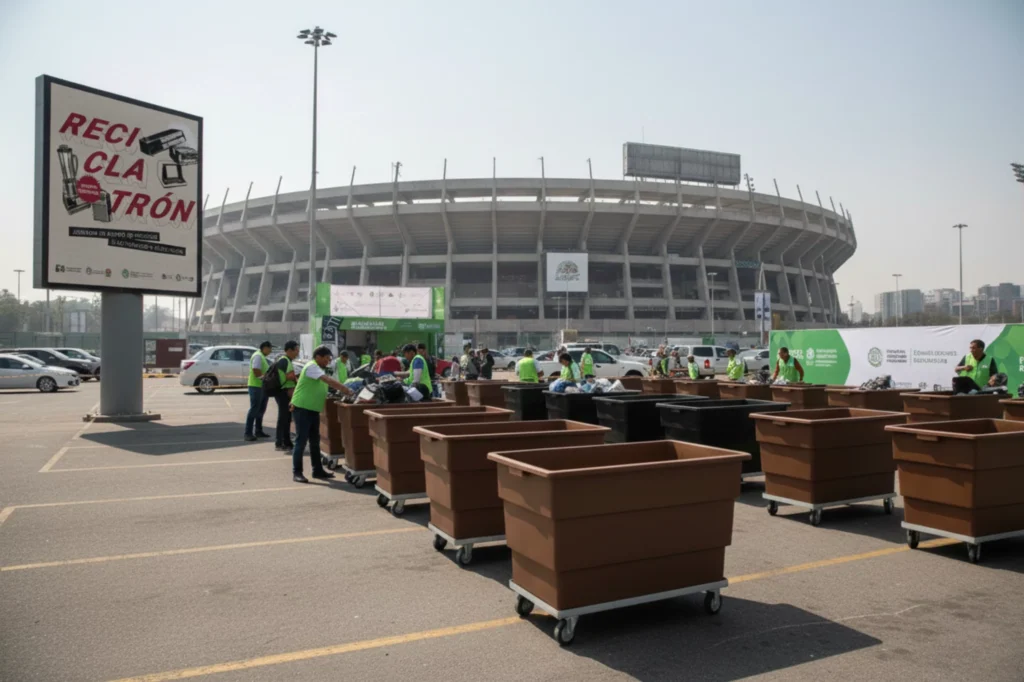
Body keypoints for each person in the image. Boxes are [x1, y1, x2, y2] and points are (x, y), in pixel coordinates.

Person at [289, 346, 354, 483]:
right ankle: (297, 472)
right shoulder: (312, 367)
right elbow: (328, 381)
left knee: (314, 442)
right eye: (326, 359)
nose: (328, 362)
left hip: (312, 409)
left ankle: (317, 470)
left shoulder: (318, 368)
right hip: (302, 408)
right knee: (301, 442)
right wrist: (346, 390)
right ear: (318, 356)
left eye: (329, 359)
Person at [270, 340, 300, 451]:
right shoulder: (285, 361)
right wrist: (297, 378)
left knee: (285, 418)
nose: (297, 352)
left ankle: (284, 441)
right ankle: (281, 442)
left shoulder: (283, 360)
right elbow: (290, 376)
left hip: (281, 391)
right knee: (284, 418)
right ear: (289, 350)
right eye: (296, 350)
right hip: (283, 392)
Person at [244, 341, 273, 442]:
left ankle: (258, 430)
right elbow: (256, 370)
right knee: (254, 409)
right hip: (256, 386)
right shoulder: (258, 356)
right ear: (265, 348)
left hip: (262, 387)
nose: (271, 351)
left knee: (261, 410)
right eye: (270, 348)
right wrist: (264, 378)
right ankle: (248, 433)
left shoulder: (262, 356)